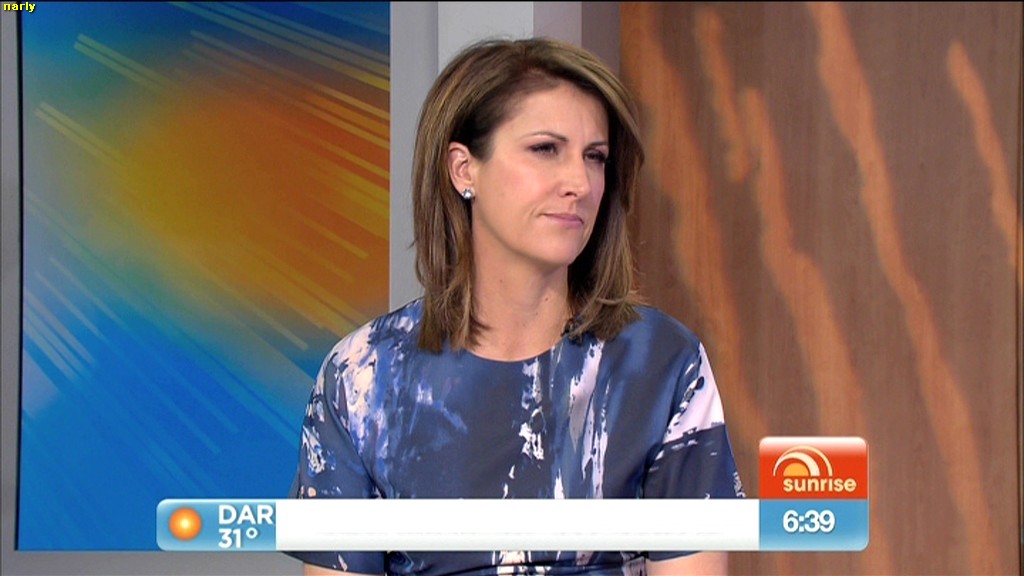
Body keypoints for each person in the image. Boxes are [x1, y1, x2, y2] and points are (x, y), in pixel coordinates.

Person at [287, 36, 745, 576]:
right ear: (464, 169)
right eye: (545, 149)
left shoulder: (663, 364)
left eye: (595, 157)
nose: (579, 183)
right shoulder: (361, 377)